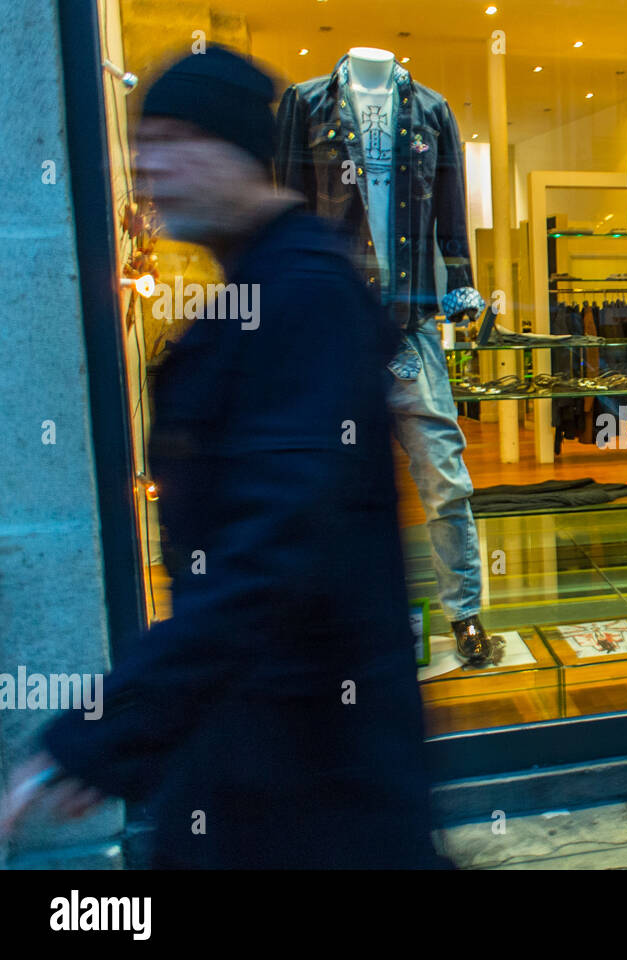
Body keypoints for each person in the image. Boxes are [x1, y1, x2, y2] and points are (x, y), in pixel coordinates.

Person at [0, 48, 437, 868]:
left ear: (235, 148)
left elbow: (270, 550)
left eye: (170, 140)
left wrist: (110, 729)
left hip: (315, 774)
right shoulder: (257, 291)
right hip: (268, 757)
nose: (148, 169)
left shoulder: (302, 295)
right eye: (140, 146)